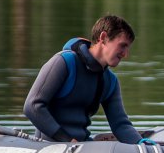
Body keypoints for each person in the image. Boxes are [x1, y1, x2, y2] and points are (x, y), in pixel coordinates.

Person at [24, 15, 143, 144]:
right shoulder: (64, 62)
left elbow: (120, 125)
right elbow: (32, 106)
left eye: (127, 48)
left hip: (82, 147)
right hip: (49, 146)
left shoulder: (110, 82)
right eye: (122, 46)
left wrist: (145, 145)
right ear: (103, 38)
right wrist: (67, 140)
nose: (125, 54)